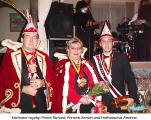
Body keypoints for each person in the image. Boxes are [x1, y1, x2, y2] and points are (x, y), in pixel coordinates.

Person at [0, 13, 54, 113]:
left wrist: (43, 83)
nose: (31, 40)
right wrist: (22, 88)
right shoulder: (9, 57)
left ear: (38, 40)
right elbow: (3, 81)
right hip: (19, 104)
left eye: (34, 37)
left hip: (41, 104)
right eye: (28, 37)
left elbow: (51, 79)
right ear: (22, 39)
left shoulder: (45, 57)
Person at [91, 23, 138, 113]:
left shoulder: (122, 57)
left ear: (113, 43)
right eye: (104, 41)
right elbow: (92, 81)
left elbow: (130, 78)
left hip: (119, 100)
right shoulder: (94, 60)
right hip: (102, 102)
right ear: (100, 44)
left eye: (109, 41)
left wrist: (132, 97)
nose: (107, 44)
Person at [51, 37, 99, 113]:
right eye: (73, 48)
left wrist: (91, 96)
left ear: (82, 50)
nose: (76, 51)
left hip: (87, 103)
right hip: (69, 105)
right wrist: (79, 99)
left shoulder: (87, 63)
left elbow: (95, 83)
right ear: (68, 50)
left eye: (79, 48)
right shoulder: (61, 65)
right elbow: (62, 86)